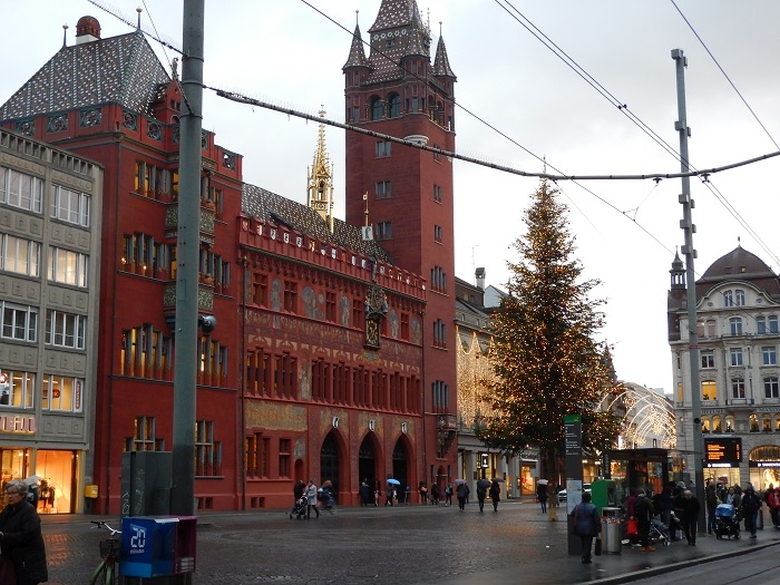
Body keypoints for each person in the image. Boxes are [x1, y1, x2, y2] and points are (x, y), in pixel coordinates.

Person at [0, 479, 48, 585]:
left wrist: (4, 537)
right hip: (13, 561)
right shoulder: (8, 510)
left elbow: (28, 534)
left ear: (22, 494)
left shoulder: (28, 511)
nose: (9, 496)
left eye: (13, 493)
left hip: (27, 562)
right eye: (8, 493)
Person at [572, 492, 600, 564]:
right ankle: (585, 556)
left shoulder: (577, 506)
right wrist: (598, 527)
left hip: (579, 527)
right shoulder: (592, 507)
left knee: (583, 542)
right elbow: (596, 518)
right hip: (589, 527)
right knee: (588, 542)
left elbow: (572, 513)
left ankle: (586, 555)